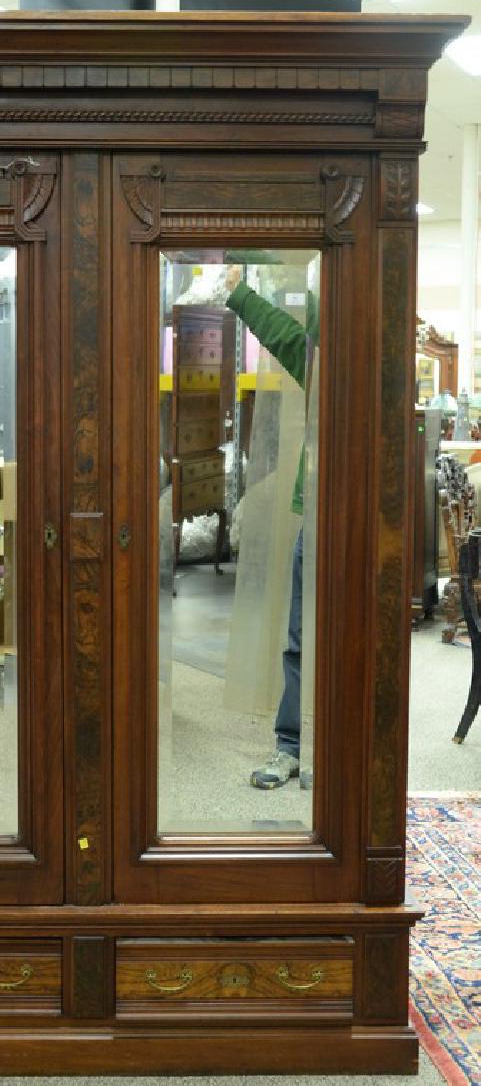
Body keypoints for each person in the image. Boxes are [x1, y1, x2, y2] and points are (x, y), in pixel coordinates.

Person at [221, 267, 316, 789]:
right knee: (300, 639)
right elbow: (285, 335)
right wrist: (239, 291)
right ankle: (292, 747)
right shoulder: (320, 359)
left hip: (365, 521)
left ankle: (342, 750)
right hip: (318, 519)